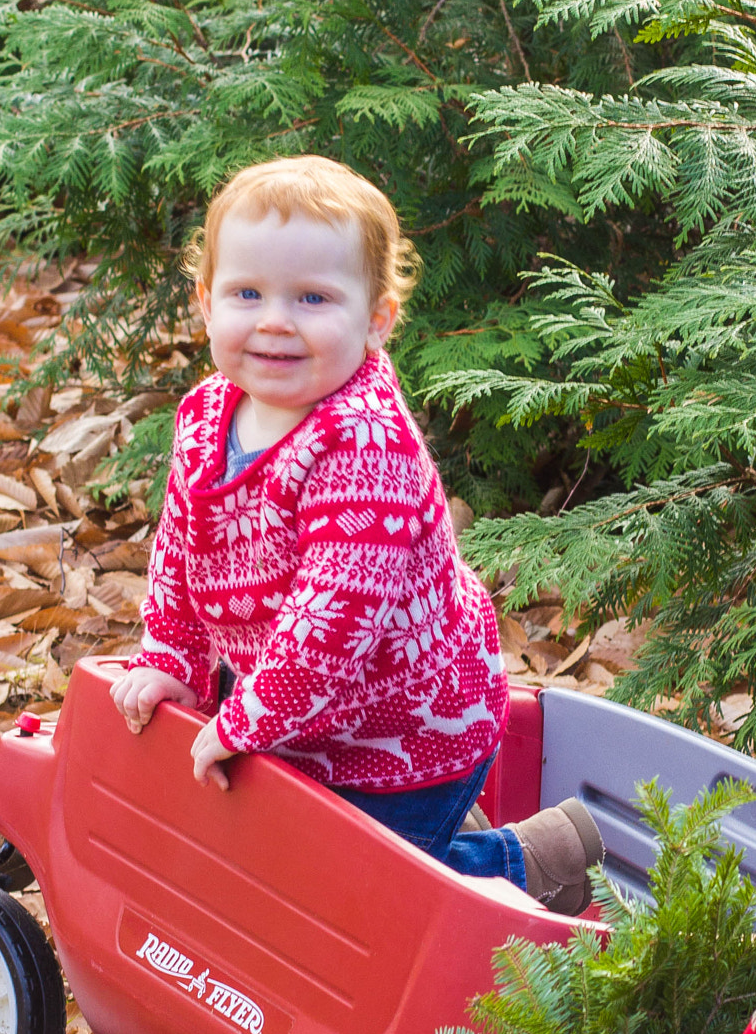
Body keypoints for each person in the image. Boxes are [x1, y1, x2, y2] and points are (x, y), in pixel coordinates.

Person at [109, 155, 604, 915]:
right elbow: (184, 546)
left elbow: (334, 617)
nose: (274, 320)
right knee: (284, 855)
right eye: (247, 293)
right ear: (206, 303)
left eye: (312, 297)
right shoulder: (208, 413)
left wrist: (249, 719)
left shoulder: (365, 445)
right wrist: (173, 655)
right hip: (299, 707)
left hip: (408, 727)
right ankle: (429, 841)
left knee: (372, 890)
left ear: (376, 319)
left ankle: (537, 860)